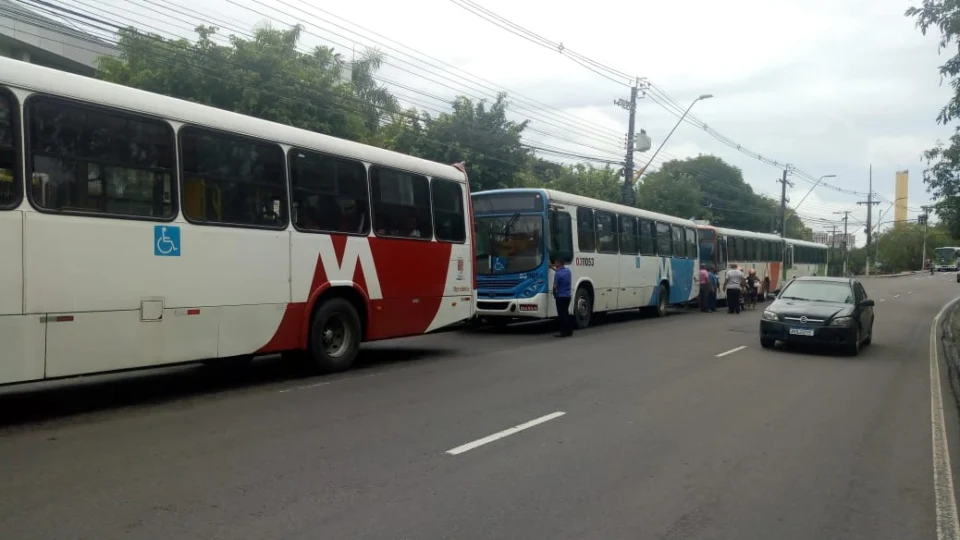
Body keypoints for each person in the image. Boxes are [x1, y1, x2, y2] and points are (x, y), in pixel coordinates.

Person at [551, 256, 573, 337]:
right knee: (566, 313)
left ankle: (563, 332)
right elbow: (559, 271)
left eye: (555, 262)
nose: (554, 264)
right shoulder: (568, 271)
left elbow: (554, 286)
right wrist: (552, 267)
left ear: (559, 263)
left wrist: (554, 295)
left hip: (560, 297)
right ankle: (569, 331)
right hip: (567, 296)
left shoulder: (557, 274)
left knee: (561, 315)